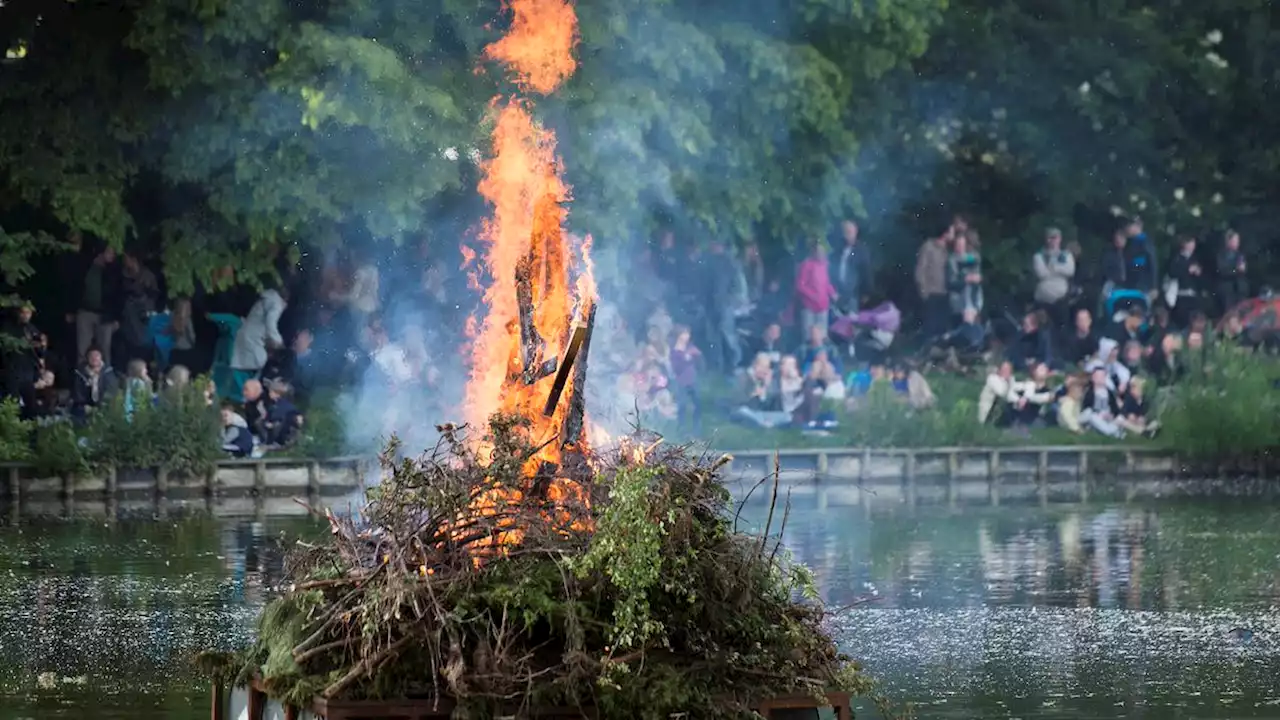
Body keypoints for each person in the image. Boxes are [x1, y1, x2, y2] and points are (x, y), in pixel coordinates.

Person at [230, 286, 287, 398]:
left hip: (246, 334)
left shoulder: (266, 298)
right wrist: (279, 342)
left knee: (248, 363)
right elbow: (270, 324)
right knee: (262, 364)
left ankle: (245, 391)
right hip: (252, 338)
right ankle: (249, 393)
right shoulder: (276, 304)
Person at [1033, 227, 1075, 329]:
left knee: (1061, 329)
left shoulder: (1066, 255)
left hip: (1061, 301)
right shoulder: (1039, 256)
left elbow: (1070, 270)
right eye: (1050, 238)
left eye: (1055, 238)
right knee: (1043, 329)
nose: (1052, 241)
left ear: (1060, 239)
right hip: (1043, 301)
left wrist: (1053, 268)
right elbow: (1041, 273)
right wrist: (1060, 269)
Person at [795, 240, 837, 339]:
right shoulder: (807, 265)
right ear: (814, 252)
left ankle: (822, 353)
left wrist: (833, 293)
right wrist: (812, 295)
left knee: (822, 335)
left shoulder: (825, 265)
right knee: (809, 336)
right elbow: (800, 285)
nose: (821, 254)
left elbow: (826, 283)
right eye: (819, 251)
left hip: (823, 305)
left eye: (823, 251)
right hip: (809, 306)